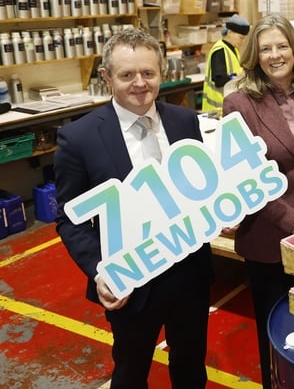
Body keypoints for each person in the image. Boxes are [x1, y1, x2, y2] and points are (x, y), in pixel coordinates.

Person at [54, 27, 214, 388]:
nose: (140, 83)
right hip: (132, 283)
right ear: (107, 76)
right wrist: (100, 271)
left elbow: (200, 187)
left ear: (162, 73)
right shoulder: (78, 138)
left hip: (189, 272)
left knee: (190, 365)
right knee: (131, 371)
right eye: (127, 75)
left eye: (148, 73)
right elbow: (69, 219)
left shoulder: (184, 121)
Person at [222, 14, 294, 388]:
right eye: (266, 48)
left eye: (282, 45)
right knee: (277, 330)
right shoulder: (238, 104)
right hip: (271, 236)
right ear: (254, 56)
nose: (275, 55)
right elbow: (247, 180)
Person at [202, 13, 250, 112]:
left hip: (228, 104)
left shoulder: (234, 50)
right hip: (217, 108)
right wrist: (238, 77)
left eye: (244, 38)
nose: (243, 41)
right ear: (230, 33)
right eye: (241, 38)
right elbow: (219, 79)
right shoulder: (220, 50)